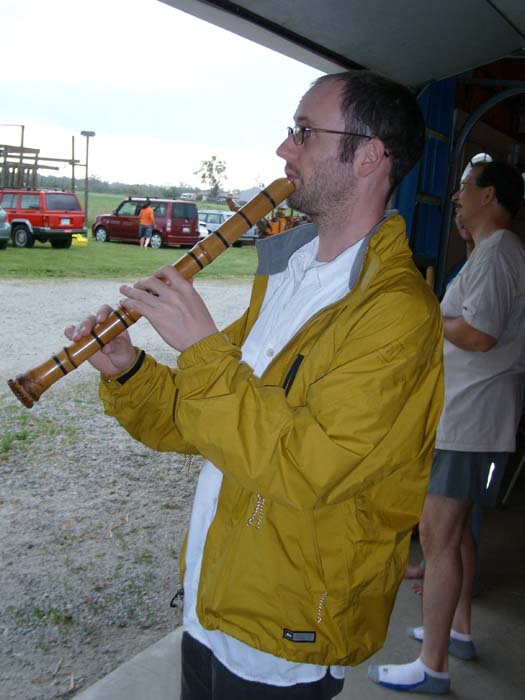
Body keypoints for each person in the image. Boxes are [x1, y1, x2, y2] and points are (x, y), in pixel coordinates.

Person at [66, 71, 444, 700]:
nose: (283, 149)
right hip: (214, 602)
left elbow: (308, 466)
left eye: (304, 132)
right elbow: (212, 422)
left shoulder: (397, 313)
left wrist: (203, 348)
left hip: (285, 632)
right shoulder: (290, 275)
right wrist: (129, 370)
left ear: (369, 156)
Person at [369, 161, 525, 694]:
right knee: (453, 535)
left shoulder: (499, 253)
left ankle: (432, 665)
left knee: (437, 535)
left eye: (464, 188)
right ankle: (456, 631)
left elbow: (480, 334)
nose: (456, 197)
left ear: (490, 195)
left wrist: (428, 313)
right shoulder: (491, 251)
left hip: (471, 419)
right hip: (468, 417)